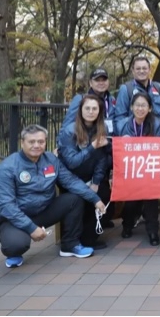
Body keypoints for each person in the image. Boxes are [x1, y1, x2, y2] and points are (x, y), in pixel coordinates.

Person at [0, 125, 106, 268]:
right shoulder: (7, 167)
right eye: (31, 142)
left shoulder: (51, 160)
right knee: (15, 245)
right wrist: (31, 228)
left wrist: (95, 199)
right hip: (15, 217)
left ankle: (70, 244)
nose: (36, 145)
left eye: (41, 142)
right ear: (22, 143)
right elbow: (5, 205)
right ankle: (14, 252)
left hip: (44, 211)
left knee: (74, 199)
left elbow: (70, 181)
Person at [58, 95, 112, 250]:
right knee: (78, 199)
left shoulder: (102, 129)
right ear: (80, 110)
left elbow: (102, 159)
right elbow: (72, 162)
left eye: (94, 108)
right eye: (87, 108)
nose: (90, 112)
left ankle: (89, 238)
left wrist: (95, 181)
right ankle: (72, 237)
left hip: (91, 176)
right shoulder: (69, 131)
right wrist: (92, 147)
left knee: (104, 193)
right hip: (71, 177)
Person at [116, 93, 160, 246]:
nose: (140, 108)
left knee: (151, 198)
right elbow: (116, 150)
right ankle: (127, 225)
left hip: (151, 168)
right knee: (131, 200)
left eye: (144, 105)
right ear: (131, 107)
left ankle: (152, 231)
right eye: (137, 105)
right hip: (130, 170)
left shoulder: (158, 124)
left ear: (150, 108)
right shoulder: (122, 124)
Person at [62, 68, 117, 135]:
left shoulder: (112, 100)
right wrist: (61, 142)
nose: (101, 83)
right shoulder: (80, 99)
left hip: (110, 141)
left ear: (108, 82)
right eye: (97, 80)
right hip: (88, 141)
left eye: (104, 80)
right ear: (90, 83)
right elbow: (67, 125)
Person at [113, 55, 160, 125]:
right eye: (138, 69)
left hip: (155, 132)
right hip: (134, 133)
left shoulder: (158, 87)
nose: (141, 71)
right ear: (133, 71)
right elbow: (120, 117)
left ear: (149, 70)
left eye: (144, 68)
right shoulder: (126, 89)